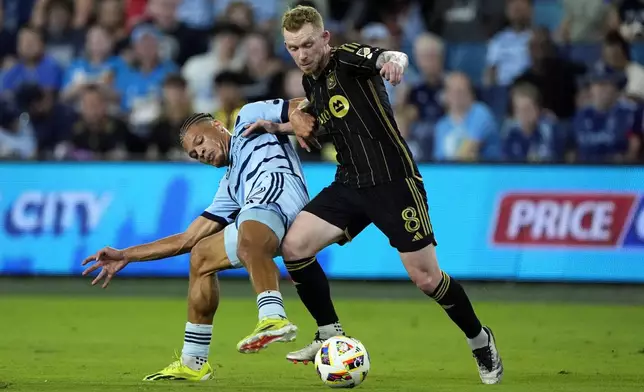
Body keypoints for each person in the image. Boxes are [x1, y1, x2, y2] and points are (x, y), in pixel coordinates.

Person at [244, 5, 503, 385]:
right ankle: (329, 332)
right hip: (349, 182)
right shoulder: (310, 84)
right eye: (292, 48)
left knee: (427, 279)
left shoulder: (347, 58)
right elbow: (320, 125)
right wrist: (277, 126)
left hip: (393, 182)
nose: (301, 54)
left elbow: (386, 56)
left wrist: (394, 61)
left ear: (325, 38)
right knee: (295, 246)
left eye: (308, 44)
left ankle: (480, 339)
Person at [81, 98, 319, 381]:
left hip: (283, 198)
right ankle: (194, 360)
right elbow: (187, 238)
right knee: (202, 254)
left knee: (249, 223)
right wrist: (126, 255)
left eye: (199, 142)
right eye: (193, 154)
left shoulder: (249, 119)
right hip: (263, 224)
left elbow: (298, 103)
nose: (199, 152)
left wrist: (299, 119)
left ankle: (273, 317)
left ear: (218, 126)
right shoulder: (230, 187)